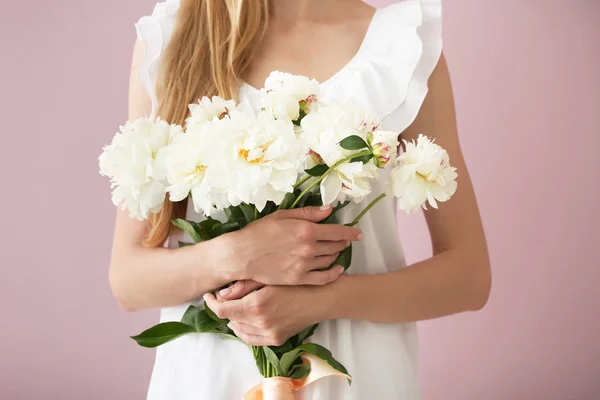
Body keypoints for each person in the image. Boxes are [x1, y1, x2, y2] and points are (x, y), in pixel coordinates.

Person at [108, 0, 491, 398]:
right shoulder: (174, 40)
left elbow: (469, 277)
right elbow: (129, 279)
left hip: (358, 380)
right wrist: (238, 254)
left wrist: (326, 300)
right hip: (207, 382)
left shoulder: (399, 49)